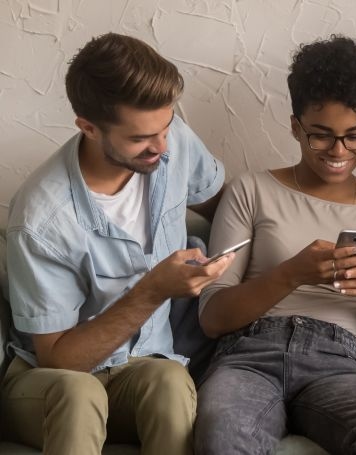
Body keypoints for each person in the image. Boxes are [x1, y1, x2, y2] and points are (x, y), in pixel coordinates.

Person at [0, 33, 232, 455]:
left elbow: (221, 202)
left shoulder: (169, 138)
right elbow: (59, 359)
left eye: (166, 127)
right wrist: (154, 290)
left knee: (169, 382)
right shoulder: (41, 218)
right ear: (88, 127)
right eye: (141, 138)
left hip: (140, 370)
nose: (161, 148)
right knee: (79, 395)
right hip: (50, 382)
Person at [193, 35, 356, 455]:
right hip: (247, 357)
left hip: (338, 364)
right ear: (296, 126)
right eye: (321, 136)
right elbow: (212, 316)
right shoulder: (252, 190)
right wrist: (291, 274)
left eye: (355, 136)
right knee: (223, 429)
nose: (339, 151)